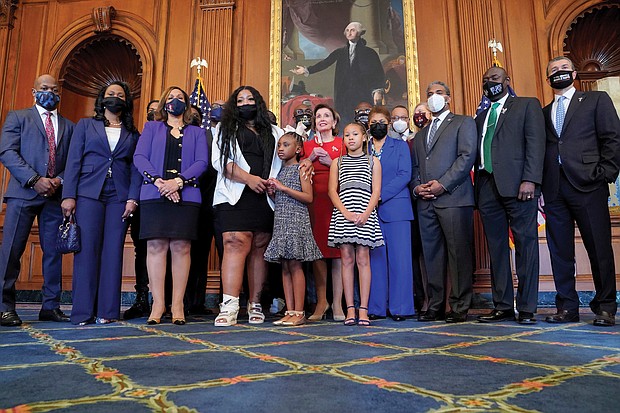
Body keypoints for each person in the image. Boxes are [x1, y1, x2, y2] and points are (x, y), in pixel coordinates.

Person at [541, 56, 620, 327]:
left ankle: (606, 306)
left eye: (563, 69)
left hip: (589, 185)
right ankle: (567, 307)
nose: (559, 73)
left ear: (574, 74)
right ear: (548, 78)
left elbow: (612, 137)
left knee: (599, 248)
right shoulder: (543, 111)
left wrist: (606, 173)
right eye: (553, 71)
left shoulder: (595, 101)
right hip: (554, 189)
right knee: (560, 251)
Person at [61, 81, 141, 325]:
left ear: (126, 101)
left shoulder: (133, 133)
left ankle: (107, 311)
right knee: (87, 252)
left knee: (113, 251)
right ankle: (83, 312)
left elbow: (136, 168)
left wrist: (133, 198)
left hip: (119, 195)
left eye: (120, 95)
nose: (115, 97)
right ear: (102, 99)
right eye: (110, 94)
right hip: (88, 193)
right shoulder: (85, 125)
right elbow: (73, 160)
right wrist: (68, 195)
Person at [0, 74, 75, 327]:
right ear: (34, 92)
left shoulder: (69, 125)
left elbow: (75, 162)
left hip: (54, 198)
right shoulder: (18, 117)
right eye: (44, 88)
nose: (49, 92)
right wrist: (34, 179)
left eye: (54, 89)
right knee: (11, 251)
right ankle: (4, 307)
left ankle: (51, 306)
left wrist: (59, 181)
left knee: (53, 253)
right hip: (23, 193)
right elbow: (7, 152)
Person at [474, 67, 545, 325]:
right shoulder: (480, 117)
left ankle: (526, 308)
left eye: (494, 78)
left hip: (519, 188)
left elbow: (536, 144)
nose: (489, 82)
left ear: (507, 81)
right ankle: (503, 306)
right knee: (497, 249)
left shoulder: (526, 105)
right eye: (485, 80)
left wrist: (531, 179)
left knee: (526, 246)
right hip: (486, 187)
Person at [133, 86, 209, 325]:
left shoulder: (197, 132)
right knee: (155, 246)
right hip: (154, 194)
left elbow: (201, 162)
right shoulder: (151, 128)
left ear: (186, 105)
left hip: (187, 196)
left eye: (180, 98)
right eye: (171, 97)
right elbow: (139, 157)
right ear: (164, 103)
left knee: (181, 248)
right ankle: (158, 304)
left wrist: (177, 182)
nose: (175, 101)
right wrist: (160, 182)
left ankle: (177, 305)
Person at [212, 86, 283, 327]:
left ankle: (255, 303)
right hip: (235, 194)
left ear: (259, 102)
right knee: (234, 242)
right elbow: (221, 161)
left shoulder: (274, 131)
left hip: (264, 196)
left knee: (259, 247)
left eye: (250, 99)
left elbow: (285, 159)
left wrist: (275, 183)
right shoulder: (225, 128)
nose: (245, 103)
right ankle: (230, 304)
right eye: (240, 100)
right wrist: (248, 178)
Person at [411, 82, 477, 323]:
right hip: (426, 202)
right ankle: (436, 305)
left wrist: (443, 184)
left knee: (458, 254)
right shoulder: (421, 134)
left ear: (448, 98)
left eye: (438, 93)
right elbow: (416, 166)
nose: (433, 97)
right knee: (432, 256)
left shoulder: (462, 122)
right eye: (429, 94)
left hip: (454, 198)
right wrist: (418, 187)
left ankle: (459, 306)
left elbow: (466, 157)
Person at [328, 122, 383, 326]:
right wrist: (346, 213)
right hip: (344, 214)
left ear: (364, 137)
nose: (351, 138)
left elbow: (376, 191)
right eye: (347, 135)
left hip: (365, 214)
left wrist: (365, 214)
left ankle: (363, 310)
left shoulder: (373, 162)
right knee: (346, 259)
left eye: (355, 134)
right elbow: (332, 191)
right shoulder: (337, 162)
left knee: (363, 259)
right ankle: (349, 308)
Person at [264, 132, 322, 326]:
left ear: (298, 149)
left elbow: (308, 197)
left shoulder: (301, 168)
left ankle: (299, 312)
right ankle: (289, 311)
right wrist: (273, 194)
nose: (281, 148)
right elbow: (281, 199)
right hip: (281, 221)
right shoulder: (280, 171)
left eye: (286, 145)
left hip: (296, 221)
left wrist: (283, 189)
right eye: (279, 145)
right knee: (285, 266)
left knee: (295, 265)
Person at [367, 106, 414, 321]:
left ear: (389, 124)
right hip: (368, 211)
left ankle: (401, 308)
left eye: (382, 121)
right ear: (368, 125)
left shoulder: (400, 146)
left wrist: (379, 195)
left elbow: (405, 174)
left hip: (396, 208)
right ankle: (376, 308)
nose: (378, 125)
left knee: (400, 260)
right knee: (375, 260)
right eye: (373, 121)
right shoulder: (363, 148)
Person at [300, 104, 345, 321]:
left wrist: (331, 162)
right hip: (314, 203)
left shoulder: (341, 144)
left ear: (335, 122)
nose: (322, 119)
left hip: (336, 202)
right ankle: (321, 301)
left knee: (337, 254)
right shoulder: (307, 145)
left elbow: (353, 170)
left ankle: (337, 303)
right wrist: (311, 159)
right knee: (317, 253)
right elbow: (297, 170)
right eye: (318, 116)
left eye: (327, 115)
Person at [291, 22, 385, 125]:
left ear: (360, 33)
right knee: (344, 121)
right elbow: (325, 63)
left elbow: (378, 72)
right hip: (344, 95)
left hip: (362, 93)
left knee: (362, 121)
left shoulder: (370, 53)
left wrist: (378, 91)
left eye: (352, 30)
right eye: (347, 30)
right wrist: (306, 70)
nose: (349, 33)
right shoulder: (340, 52)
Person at [124, 100, 159, 320]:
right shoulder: (139, 138)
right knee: (142, 250)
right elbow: (134, 170)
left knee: (167, 250)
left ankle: (161, 299)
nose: (154, 114)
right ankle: (142, 298)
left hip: (166, 198)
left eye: (158, 110)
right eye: (150, 111)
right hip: (141, 200)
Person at [184, 105, 217, 315]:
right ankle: (181, 302)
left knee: (201, 254)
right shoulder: (187, 138)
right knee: (184, 252)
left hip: (209, 203)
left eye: (198, 115)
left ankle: (196, 302)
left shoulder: (208, 137)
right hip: (187, 201)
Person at [410, 101, 432, 314]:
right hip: (416, 201)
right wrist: (418, 188)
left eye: (422, 112)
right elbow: (412, 169)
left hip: (442, 197)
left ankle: (439, 301)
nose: (419, 116)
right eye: (415, 113)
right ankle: (423, 299)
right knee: (418, 255)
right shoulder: (413, 140)